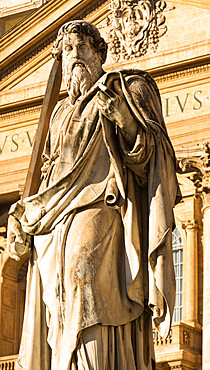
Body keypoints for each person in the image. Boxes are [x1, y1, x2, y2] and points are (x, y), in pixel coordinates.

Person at [7, 20, 181, 370]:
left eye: (83, 49)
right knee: (56, 300)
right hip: (55, 218)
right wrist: (24, 215)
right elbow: (51, 176)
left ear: (100, 53)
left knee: (84, 276)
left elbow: (154, 160)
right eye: (68, 51)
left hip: (101, 202)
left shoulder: (126, 89)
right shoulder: (59, 114)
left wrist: (125, 121)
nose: (75, 58)